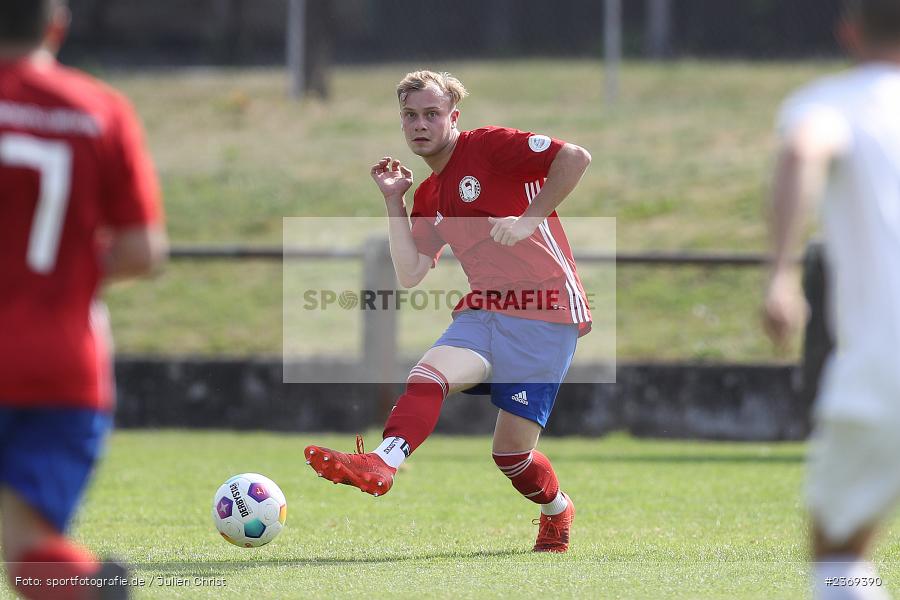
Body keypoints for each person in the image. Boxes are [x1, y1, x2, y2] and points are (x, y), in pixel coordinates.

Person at [305, 70, 592, 552]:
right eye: (410, 116)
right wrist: (394, 201)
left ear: (453, 117)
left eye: (431, 114)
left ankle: (557, 509)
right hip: (485, 309)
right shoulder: (430, 194)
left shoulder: (491, 146)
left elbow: (575, 158)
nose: (420, 124)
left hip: (547, 309)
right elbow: (412, 271)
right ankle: (383, 461)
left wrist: (529, 219)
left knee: (511, 457)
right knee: (427, 375)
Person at [0, 1, 166, 598]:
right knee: (31, 557)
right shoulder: (101, 110)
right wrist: (60, 275)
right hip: (65, 368)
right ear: (56, 26)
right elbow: (144, 250)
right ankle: (92, 591)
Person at [763, 1, 900, 597]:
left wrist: (781, 275)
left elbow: (800, 152)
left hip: (884, 360)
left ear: (850, 32)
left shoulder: (835, 103)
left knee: (839, 551)